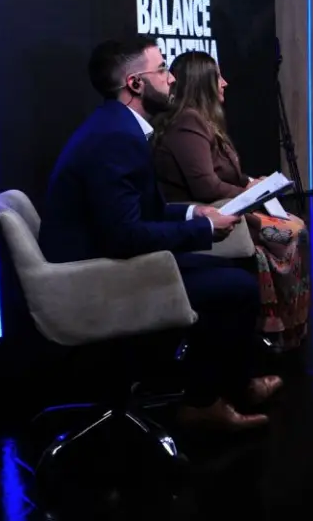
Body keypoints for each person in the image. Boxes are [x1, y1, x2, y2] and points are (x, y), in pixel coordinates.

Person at [40, 35, 280, 431]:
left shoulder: (116, 127)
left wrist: (192, 212)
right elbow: (124, 237)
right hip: (94, 278)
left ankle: (233, 384)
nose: (171, 79)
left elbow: (136, 214)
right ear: (136, 84)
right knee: (235, 289)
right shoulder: (115, 138)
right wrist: (203, 227)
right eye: (163, 69)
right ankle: (204, 403)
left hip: (105, 261)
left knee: (232, 274)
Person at [153, 51, 310, 350]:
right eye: (218, 77)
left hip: (227, 208)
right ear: (202, 84)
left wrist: (252, 183)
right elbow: (206, 186)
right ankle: (274, 328)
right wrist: (255, 194)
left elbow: (226, 174)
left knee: (296, 227)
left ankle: (282, 327)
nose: (224, 83)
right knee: (294, 232)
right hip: (209, 216)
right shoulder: (188, 122)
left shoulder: (202, 122)